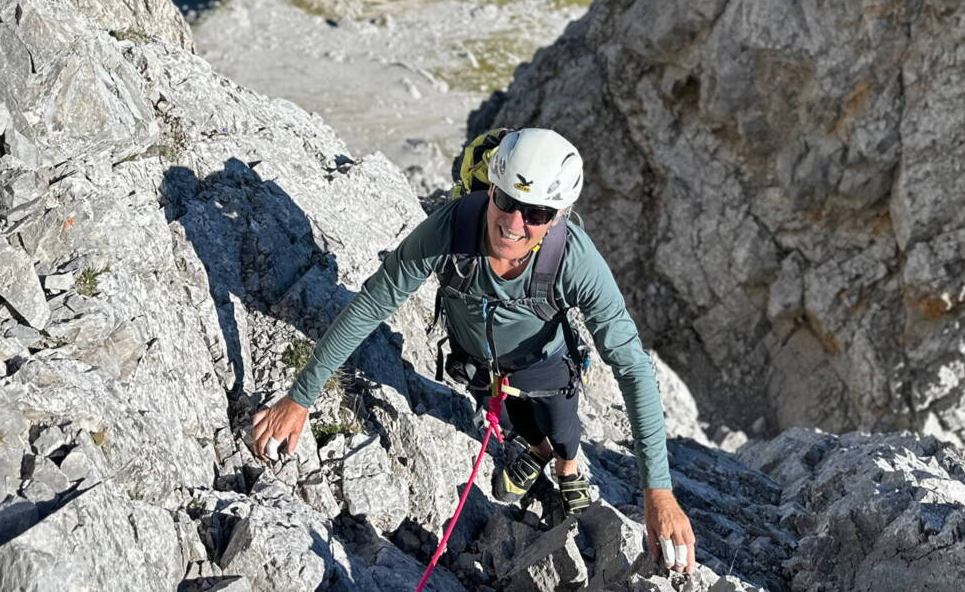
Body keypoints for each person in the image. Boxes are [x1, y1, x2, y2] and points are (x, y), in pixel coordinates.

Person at [251, 128, 697, 573]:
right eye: (504, 201)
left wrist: (657, 491)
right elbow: (372, 304)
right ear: (492, 189)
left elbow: (633, 367)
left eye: (536, 212)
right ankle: (538, 452)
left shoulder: (575, 261)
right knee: (521, 424)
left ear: (558, 216)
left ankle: (565, 467)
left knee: (563, 427)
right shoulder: (451, 228)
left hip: (543, 365)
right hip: (477, 365)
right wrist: (300, 397)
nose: (514, 222)